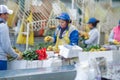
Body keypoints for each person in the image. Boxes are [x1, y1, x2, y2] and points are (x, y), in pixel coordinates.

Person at [0, 5, 21, 70]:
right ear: (2, 14)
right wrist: (16, 55)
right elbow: (6, 46)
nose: (8, 17)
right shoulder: (2, 26)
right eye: (7, 14)